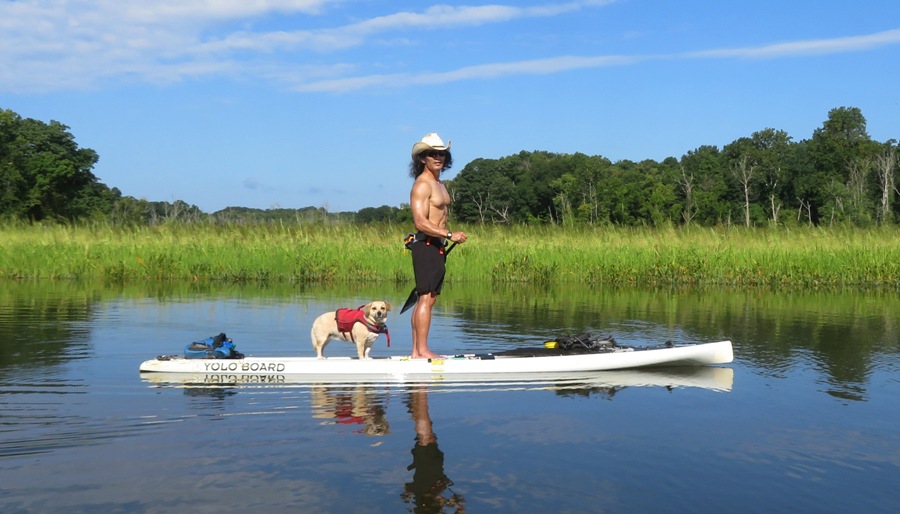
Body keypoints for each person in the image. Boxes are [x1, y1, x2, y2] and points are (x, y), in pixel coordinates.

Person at [408, 133, 468, 359]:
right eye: (433, 154)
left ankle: (417, 351)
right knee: (426, 297)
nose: (438, 157)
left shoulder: (439, 184)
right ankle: (421, 351)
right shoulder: (422, 185)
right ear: (423, 158)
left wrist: (445, 238)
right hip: (426, 245)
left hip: (437, 246)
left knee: (428, 297)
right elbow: (420, 222)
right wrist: (450, 234)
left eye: (442, 153)